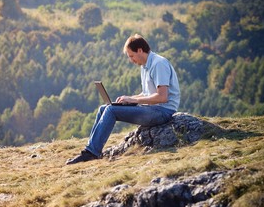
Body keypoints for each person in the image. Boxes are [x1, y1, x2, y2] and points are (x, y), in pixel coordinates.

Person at [65, 34, 180, 165]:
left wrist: (134, 101)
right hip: (151, 108)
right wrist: (129, 98)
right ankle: (91, 149)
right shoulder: (145, 66)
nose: (131, 60)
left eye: (131, 56)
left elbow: (162, 97)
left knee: (112, 111)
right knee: (104, 108)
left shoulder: (159, 64)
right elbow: (147, 93)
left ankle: (91, 153)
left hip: (163, 111)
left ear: (140, 50)